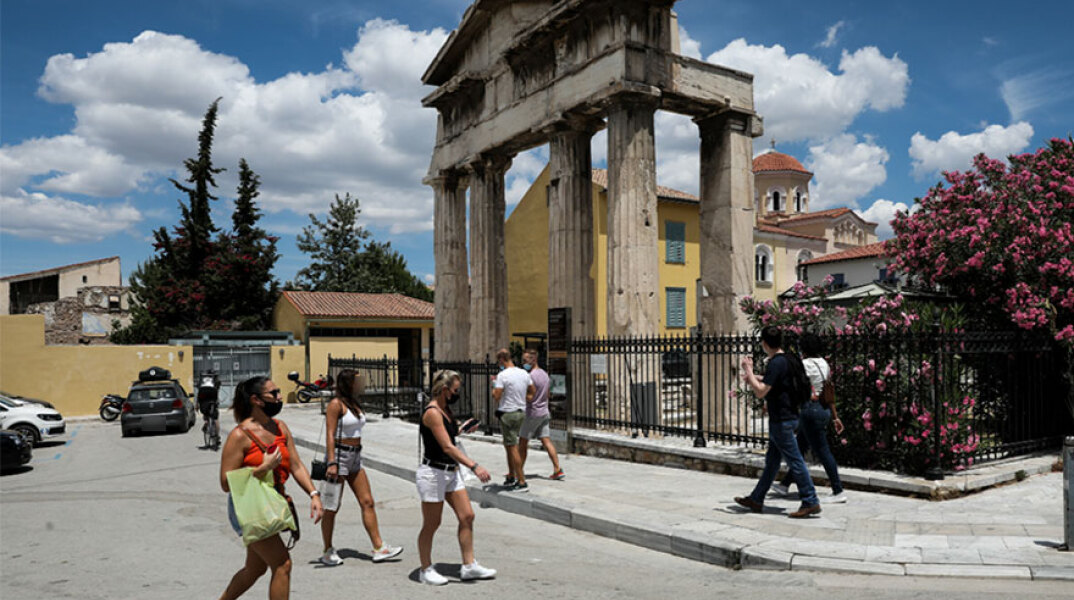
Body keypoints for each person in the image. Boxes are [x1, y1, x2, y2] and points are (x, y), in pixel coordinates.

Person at [218, 376, 324, 600]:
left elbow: (296, 465)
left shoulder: (280, 428)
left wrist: (314, 494)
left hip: (270, 503)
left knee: (255, 569)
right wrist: (262, 468)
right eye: (274, 393)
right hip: (248, 506)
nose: (279, 397)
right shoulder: (240, 435)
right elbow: (226, 484)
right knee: (282, 564)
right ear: (256, 400)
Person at [417, 370, 495, 586]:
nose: (457, 393)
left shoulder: (445, 410)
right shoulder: (432, 412)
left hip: (451, 472)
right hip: (433, 473)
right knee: (432, 523)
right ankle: (425, 569)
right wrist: (474, 465)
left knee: (467, 516)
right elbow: (446, 446)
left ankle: (469, 566)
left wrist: (462, 428)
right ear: (444, 390)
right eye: (455, 390)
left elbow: (449, 436)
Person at [318, 369, 403, 566]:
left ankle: (379, 547)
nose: (361, 385)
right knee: (331, 506)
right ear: (347, 384)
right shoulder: (335, 405)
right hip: (339, 456)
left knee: (367, 502)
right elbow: (330, 434)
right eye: (357, 382)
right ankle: (327, 550)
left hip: (355, 456)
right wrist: (331, 462)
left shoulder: (354, 404)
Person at [734, 326, 822, 518]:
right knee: (772, 462)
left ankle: (810, 500)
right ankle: (756, 499)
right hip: (790, 416)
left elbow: (761, 391)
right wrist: (755, 377)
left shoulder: (775, 363)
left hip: (781, 421)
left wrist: (748, 370)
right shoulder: (790, 359)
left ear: (764, 343)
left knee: (795, 461)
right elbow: (776, 383)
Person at [772, 333, 847, 503]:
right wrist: (835, 417)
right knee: (799, 449)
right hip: (823, 409)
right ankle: (785, 484)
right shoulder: (824, 364)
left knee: (822, 450)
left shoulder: (804, 365)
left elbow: (793, 386)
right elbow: (829, 392)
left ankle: (838, 490)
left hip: (810, 410)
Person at [492, 348, 535, 490]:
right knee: (509, 445)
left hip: (508, 413)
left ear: (502, 360)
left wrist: (493, 386)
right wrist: (526, 399)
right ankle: (511, 474)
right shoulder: (523, 373)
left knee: (512, 447)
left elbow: (497, 396)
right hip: (521, 412)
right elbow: (532, 390)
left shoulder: (502, 375)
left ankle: (521, 479)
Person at [518, 349, 564, 480]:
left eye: (525, 361)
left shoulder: (530, 376)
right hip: (544, 412)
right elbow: (548, 394)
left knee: (522, 442)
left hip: (532, 413)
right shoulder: (544, 374)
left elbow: (529, 396)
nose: (523, 363)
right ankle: (557, 468)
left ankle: (518, 470)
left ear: (534, 360)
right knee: (546, 440)